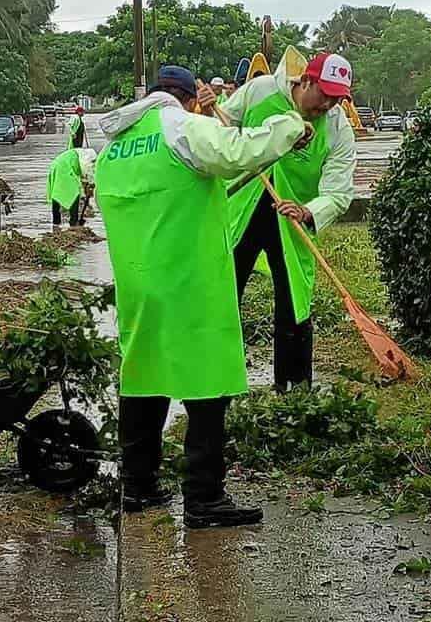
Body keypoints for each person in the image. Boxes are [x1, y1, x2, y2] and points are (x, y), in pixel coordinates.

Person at [96, 65, 311, 527]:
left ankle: (137, 485)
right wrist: (290, 125)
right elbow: (236, 151)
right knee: (208, 385)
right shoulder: (182, 127)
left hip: (139, 282)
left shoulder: (115, 147)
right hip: (190, 279)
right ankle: (204, 498)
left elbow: (175, 190)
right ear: (192, 99)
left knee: (144, 377)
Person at [221, 48, 356, 393]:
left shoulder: (338, 128)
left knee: (293, 303)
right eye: (324, 95)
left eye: (336, 100)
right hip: (240, 209)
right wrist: (209, 108)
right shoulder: (261, 91)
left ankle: (294, 391)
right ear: (306, 80)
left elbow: (339, 191)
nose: (327, 106)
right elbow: (223, 126)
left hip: (291, 218)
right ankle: (219, 386)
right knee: (221, 296)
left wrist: (309, 210)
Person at [47, 119, 96, 226]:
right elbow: (86, 171)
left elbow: (84, 174)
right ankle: (73, 222)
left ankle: (56, 223)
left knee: (57, 193)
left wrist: (86, 184)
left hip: (56, 165)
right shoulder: (89, 157)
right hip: (64, 168)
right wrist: (90, 184)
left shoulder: (83, 153)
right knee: (75, 194)